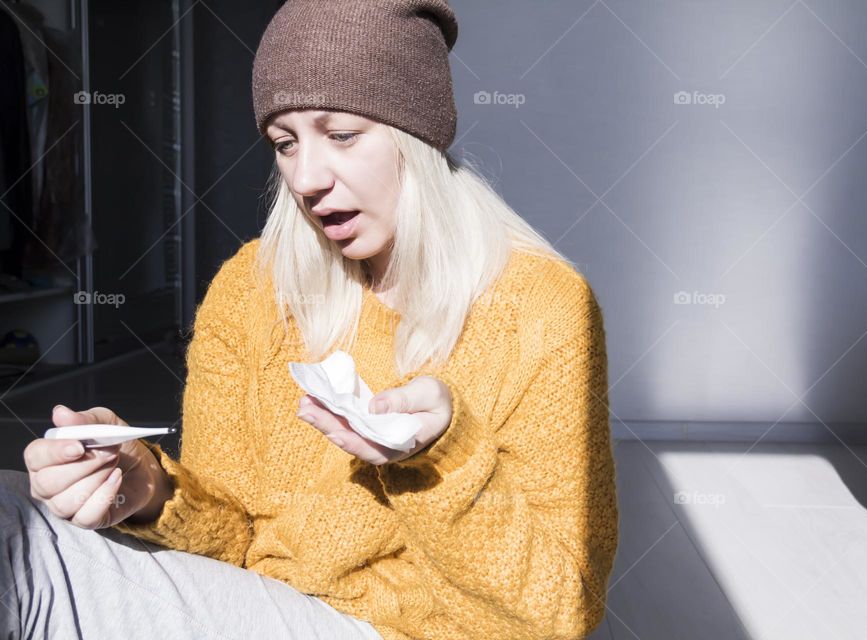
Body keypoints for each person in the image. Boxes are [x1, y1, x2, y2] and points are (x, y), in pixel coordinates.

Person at [2, 1, 620, 638]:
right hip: (263, 607)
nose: (306, 178)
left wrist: (442, 458)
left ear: (419, 135)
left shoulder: (544, 304)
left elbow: (558, 612)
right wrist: (145, 488)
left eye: (342, 135)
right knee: (11, 500)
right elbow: (235, 536)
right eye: (285, 143)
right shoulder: (253, 286)